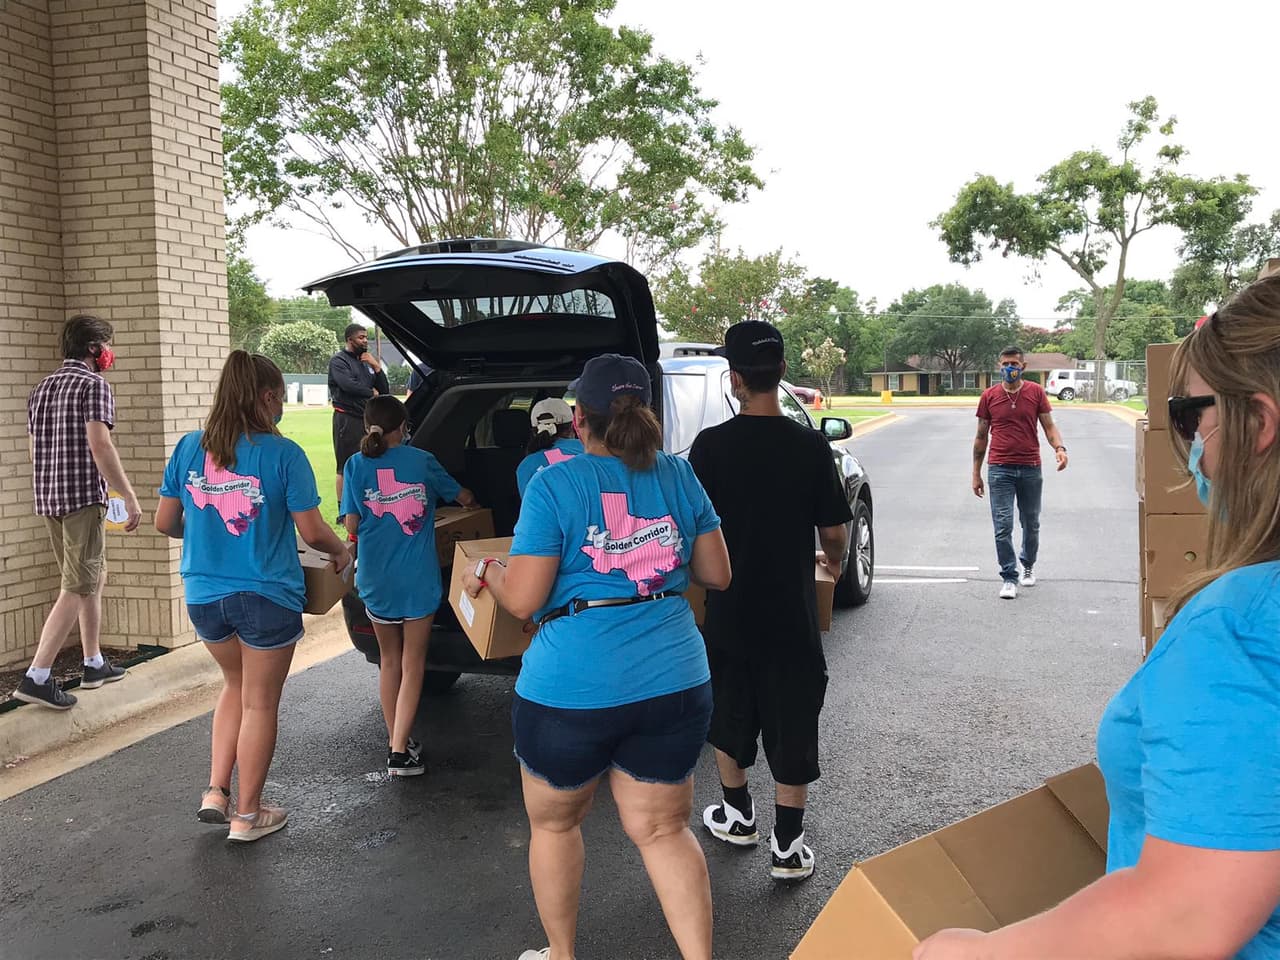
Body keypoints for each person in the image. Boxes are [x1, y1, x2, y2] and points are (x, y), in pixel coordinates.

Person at [915, 282, 1280, 960]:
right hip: (1002, 468)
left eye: (1191, 415)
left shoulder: (1237, 628)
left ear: (1259, 424)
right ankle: (1008, 569)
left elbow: (1184, 916)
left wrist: (969, 952)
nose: (1190, 443)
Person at [461, 353, 731, 960]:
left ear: (578, 417)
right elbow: (717, 572)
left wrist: (490, 570)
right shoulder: (678, 475)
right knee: (664, 830)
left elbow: (525, 600)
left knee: (556, 824)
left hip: (569, 690)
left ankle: (562, 954)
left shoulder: (555, 482)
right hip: (675, 679)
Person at [155, 351, 353, 843]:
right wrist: (342, 553)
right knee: (261, 703)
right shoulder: (283, 455)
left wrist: (212, 532)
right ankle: (248, 815)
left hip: (204, 596)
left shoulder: (188, 447)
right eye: (280, 397)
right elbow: (312, 528)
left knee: (234, 686)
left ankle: (216, 793)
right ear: (267, 398)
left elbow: (164, 522)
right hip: (267, 594)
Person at [689, 321, 851, 883]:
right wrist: (833, 562)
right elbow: (833, 532)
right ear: (781, 372)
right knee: (791, 715)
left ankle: (737, 817)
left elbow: (689, 530)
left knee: (729, 709)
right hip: (790, 613)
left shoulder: (709, 447)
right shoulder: (810, 445)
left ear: (734, 378)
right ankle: (788, 845)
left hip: (729, 608)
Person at [341, 395, 476, 776]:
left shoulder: (356, 464)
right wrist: (467, 505)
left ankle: (397, 739)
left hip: (375, 579)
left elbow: (351, 525)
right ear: (404, 426)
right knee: (414, 663)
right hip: (417, 580)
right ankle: (399, 751)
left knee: (389, 662)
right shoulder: (422, 461)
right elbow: (462, 496)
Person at [14, 315, 142, 710]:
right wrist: (128, 495)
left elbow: (35, 450)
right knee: (77, 583)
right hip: (83, 498)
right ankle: (37, 675)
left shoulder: (42, 388)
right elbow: (100, 445)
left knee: (91, 575)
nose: (109, 353)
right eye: (106, 344)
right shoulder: (94, 385)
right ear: (93, 348)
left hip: (49, 497)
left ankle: (93, 662)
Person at [971, 346, 1068, 600]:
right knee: (1002, 526)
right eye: (1005, 364)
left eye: (1014, 363)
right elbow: (981, 437)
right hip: (999, 469)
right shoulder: (989, 396)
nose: (1009, 368)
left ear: (1023, 367)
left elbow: (1049, 426)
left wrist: (1059, 448)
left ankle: (1027, 565)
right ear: (999, 366)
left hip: (1030, 468)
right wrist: (976, 473)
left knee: (1031, 523)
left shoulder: (1035, 393)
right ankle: (1008, 576)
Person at [329, 322, 389, 516]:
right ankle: (343, 511)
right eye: (361, 337)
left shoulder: (366, 361)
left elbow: (385, 390)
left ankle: (370, 504)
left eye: (366, 337)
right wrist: (371, 392)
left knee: (370, 460)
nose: (365, 341)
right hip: (346, 419)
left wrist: (376, 366)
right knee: (344, 466)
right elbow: (348, 385)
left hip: (367, 420)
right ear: (349, 339)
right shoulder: (339, 361)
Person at [515, 398, 584, 497]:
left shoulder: (527, 465)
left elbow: (531, 509)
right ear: (573, 425)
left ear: (534, 431)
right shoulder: (594, 451)